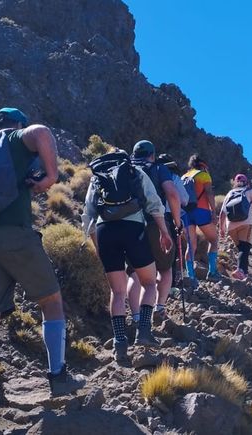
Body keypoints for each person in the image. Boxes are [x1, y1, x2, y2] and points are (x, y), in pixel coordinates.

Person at [0, 108, 85, 416]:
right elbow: (41, 132)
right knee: (51, 302)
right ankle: (58, 377)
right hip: (16, 235)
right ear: (17, 125)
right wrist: (50, 177)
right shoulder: (12, 139)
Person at [82, 147, 172, 362]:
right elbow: (154, 204)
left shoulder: (97, 178)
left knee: (118, 290)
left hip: (105, 232)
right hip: (133, 229)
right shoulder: (134, 171)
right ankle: (143, 331)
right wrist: (164, 232)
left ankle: (119, 342)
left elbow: (88, 216)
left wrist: (97, 246)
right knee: (149, 282)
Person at [125, 141, 180, 330]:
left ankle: (136, 317)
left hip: (130, 224)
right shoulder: (159, 168)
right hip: (157, 222)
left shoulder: (126, 169)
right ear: (152, 155)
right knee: (165, 268)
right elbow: (172, 194)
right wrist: (176, 221)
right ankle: (159, 308)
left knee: (134, 272)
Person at [218, 174, 252, 279]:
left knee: (241, 248)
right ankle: (240, 270)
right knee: (245, 247)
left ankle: (244, 271)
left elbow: (222, 213)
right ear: (247, 182)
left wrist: (221, 229)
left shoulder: (229, 193)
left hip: (230, 226)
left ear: (235, 183)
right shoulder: (249, 191)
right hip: (246, 223)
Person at [182, 155, 220, 281]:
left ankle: (190, 276)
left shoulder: (184, 176)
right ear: (203, 165)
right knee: (213, 240)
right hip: (202, 210)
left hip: (186, 213)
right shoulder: (204, 175)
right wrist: (213, 212)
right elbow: (209, 193)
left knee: (191, 245)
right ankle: (212, 272)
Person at [157, 153, 189, 287]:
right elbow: (184, 200)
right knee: (171, 251)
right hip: (169, 216)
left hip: (150, 217)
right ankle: (169, 286)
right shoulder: (174, 178)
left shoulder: (151, 175)